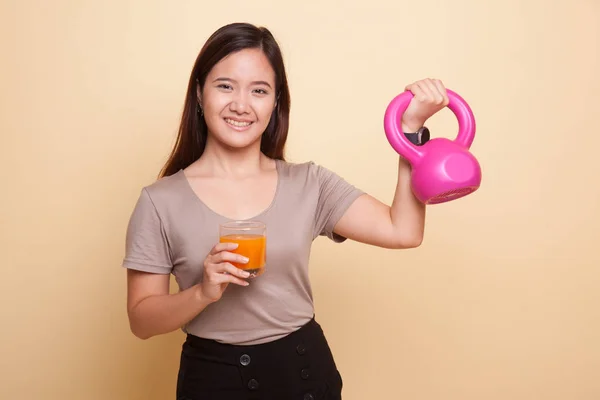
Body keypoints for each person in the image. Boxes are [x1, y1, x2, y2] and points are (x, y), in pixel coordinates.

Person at [122, 22, 450, 400]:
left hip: (303, 373)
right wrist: (203, 292)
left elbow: (403, 231)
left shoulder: (309, 184)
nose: (241, 105)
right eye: (225, 86)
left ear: (275, 102)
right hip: (211, 380)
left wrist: (410, 132)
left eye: (259, 91)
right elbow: (141, 321)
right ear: (199, 93)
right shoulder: (159, 201)